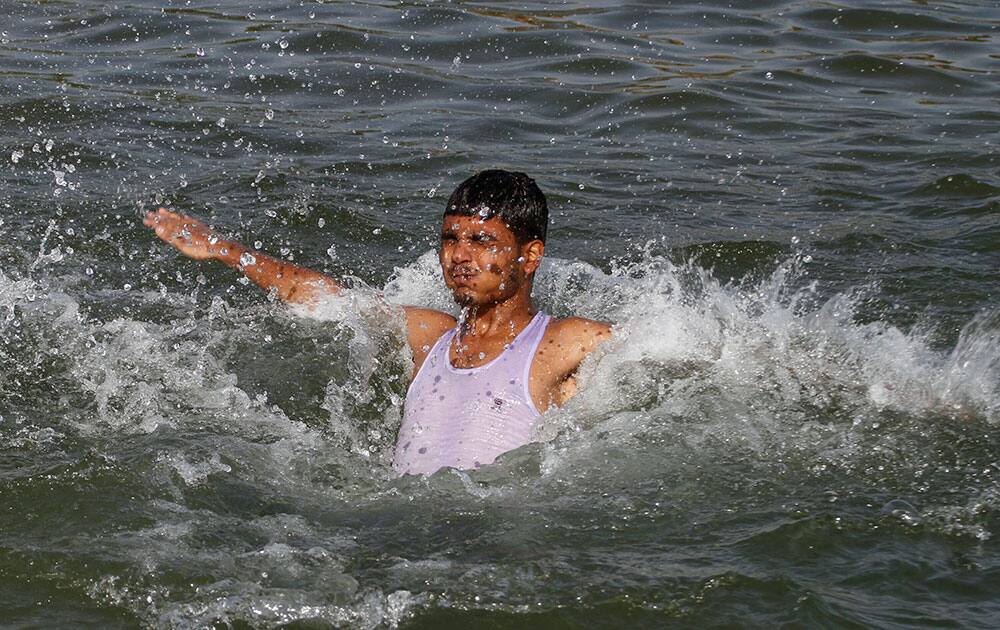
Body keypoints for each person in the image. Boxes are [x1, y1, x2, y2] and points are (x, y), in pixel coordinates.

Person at [144, 169, 612, 475]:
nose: (460, 256)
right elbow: (324, 298)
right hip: (401, 522)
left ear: (529, 256)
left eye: (482, 241)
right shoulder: (430, 338)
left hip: (489, 536)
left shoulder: (565, 342)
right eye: (450, 239)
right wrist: (221, 249)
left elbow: (667, 359)